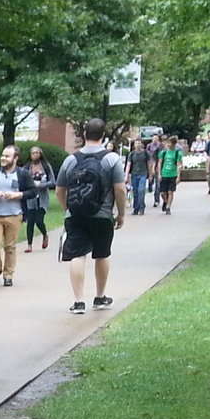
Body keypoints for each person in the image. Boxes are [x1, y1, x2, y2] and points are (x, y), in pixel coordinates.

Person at [55, 117, 128, 315]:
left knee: (77, 255)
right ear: (103, 136)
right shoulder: (111, 159)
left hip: (76, 214)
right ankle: (100, 296)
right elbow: (120, 189)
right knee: (102, 253)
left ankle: (78, 301)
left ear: (85, 135)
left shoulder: (71, 160)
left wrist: (67, 208)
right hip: (102, 214)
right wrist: (120, 214)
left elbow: (59, 189)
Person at [0, 143, 34, 286]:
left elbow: (32, 192)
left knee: (10, 247)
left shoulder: (23, 174)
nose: (3, 158)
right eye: (3, 155)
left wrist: (18, 195)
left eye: (7, 156)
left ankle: (8, 275)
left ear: (15, 158)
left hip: (15, 215)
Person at [23, 144, 55, 253]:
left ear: (40, 155)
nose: (35, 155)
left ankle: (45, 234)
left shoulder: (45, 166)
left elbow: (53, 182)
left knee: (39, 220)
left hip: (42, 197)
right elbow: (21, 179)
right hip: (30, 197)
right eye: (33, 153)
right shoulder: (27, 167)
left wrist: (40, 185)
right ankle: (29, 245)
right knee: (30, 221)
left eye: (37, 153)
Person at [156, 134, 184, 215]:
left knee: (171, 192)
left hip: (173, 174)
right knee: (162, 192)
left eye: (170, 143)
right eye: (168, 143)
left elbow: (179, 165)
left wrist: (178, 177)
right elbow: (159, 163)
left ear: (174, 144)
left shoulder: (177, 153)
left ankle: (168, 207)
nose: (168, 144)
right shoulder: (163, 152)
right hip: (164, 174)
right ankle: (166, 201)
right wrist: (159, 174)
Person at [126, 138, 149, 216]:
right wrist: (126, 175)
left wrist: (151, 174)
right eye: (136, 143)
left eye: (139, 143)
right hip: (134, 174)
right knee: (135, 192)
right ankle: (136, 208)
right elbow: (128, 165)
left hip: (143, 173)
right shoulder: (131, 154)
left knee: (141, 190)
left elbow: (149, 164)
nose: (138, 145)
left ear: (142, 144)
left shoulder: (146, 153)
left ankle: (141, 208)